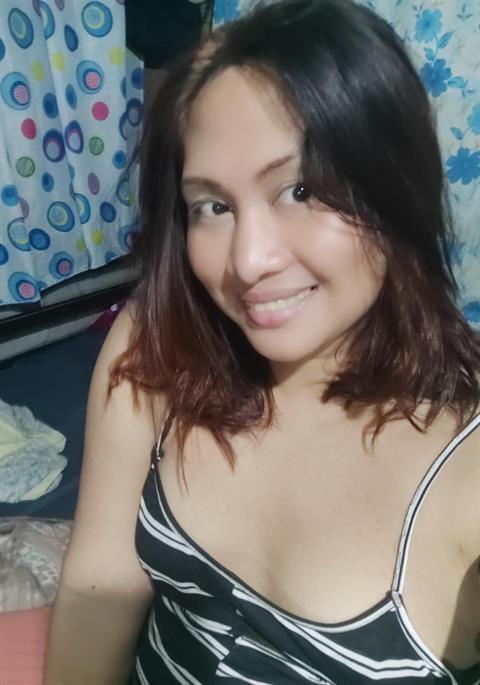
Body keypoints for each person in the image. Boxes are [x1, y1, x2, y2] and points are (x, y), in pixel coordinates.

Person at [43, 0, 480, 682]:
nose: (247, 262)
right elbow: (99, 590)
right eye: (213, 206)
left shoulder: (465, 464)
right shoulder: (160, 340)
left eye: (300, 190)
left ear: (394, 182)